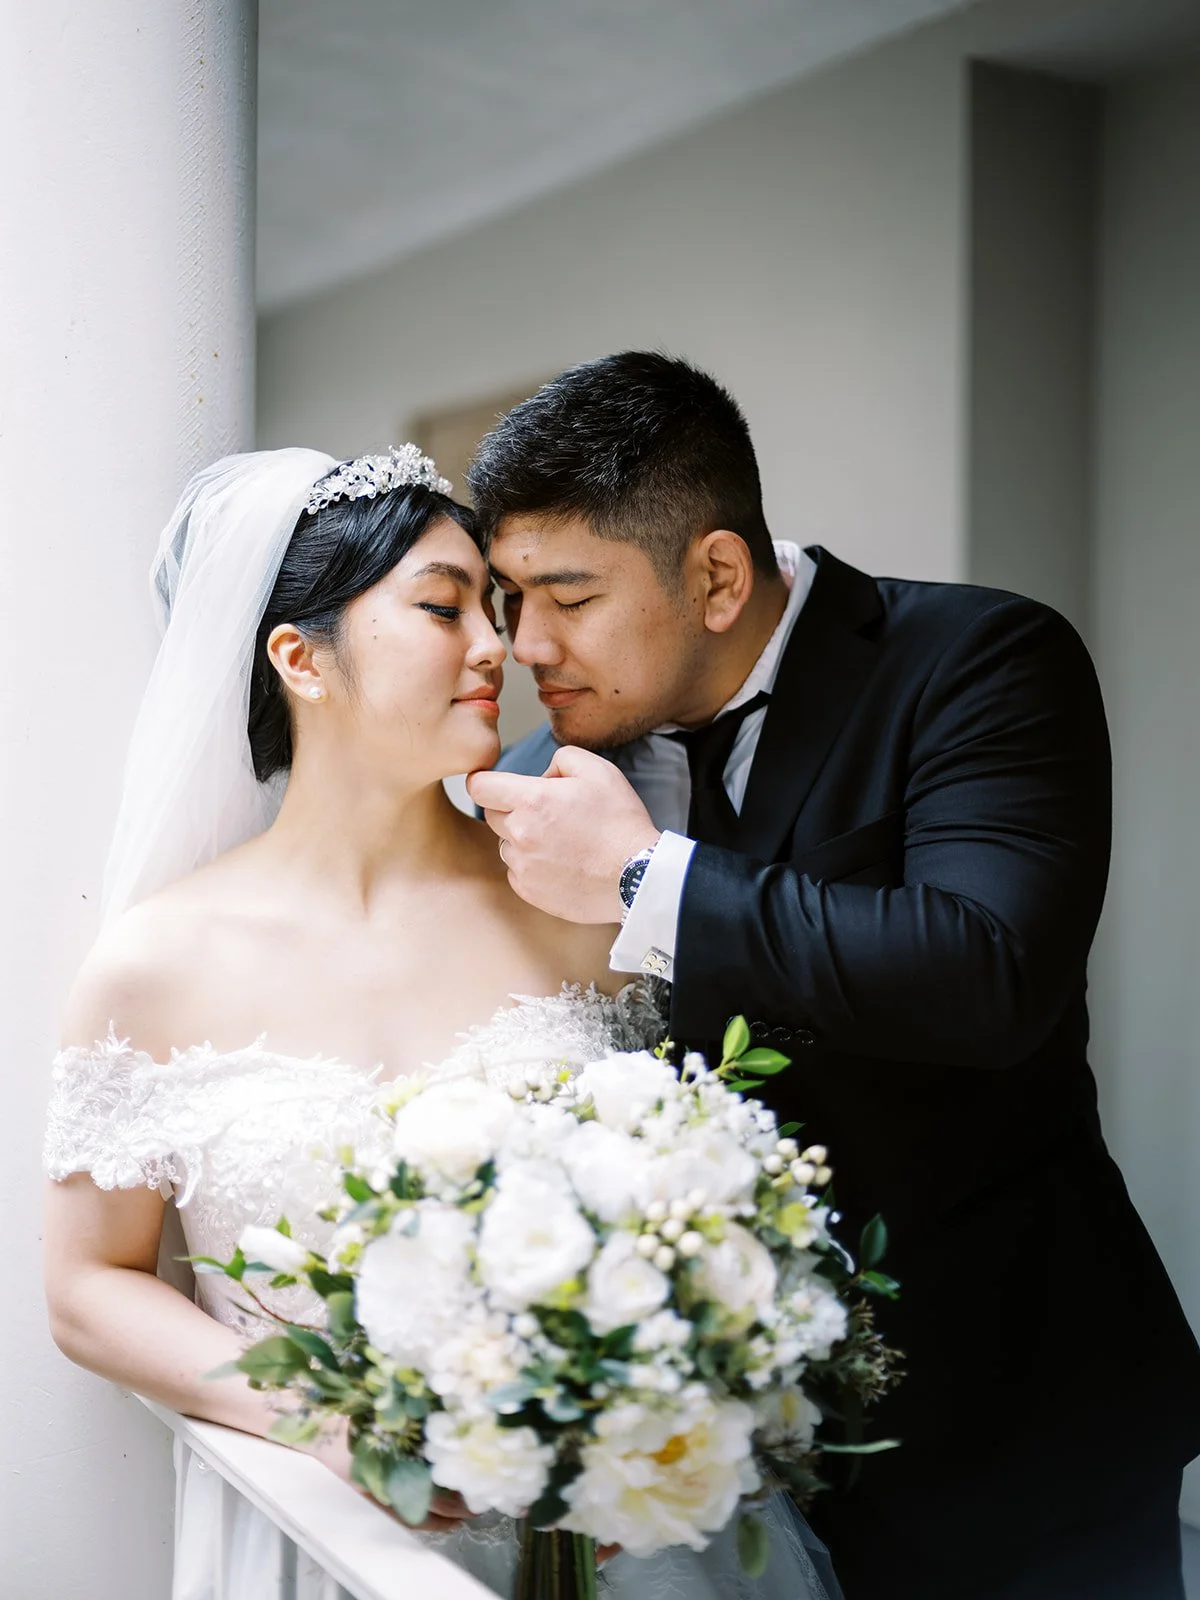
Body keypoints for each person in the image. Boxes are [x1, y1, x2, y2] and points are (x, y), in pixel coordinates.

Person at [42, 445, 838, 1600]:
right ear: (299, 659)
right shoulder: (157, 965)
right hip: (328, 1545)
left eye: (495, 606)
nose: (496, 647)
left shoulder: (576, 904)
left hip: (628, 1547)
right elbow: (88, 1287)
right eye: (441, 606)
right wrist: (327, 1419)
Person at [466, 351, 1200, 1600]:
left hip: (1014, 1425)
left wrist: (652, 884)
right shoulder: (548, 775)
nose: (526, 641)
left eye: (568, 595)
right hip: (714, 1481)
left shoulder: (978, 659)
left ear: (716, 576)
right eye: (504, 594)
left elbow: (987, 970)